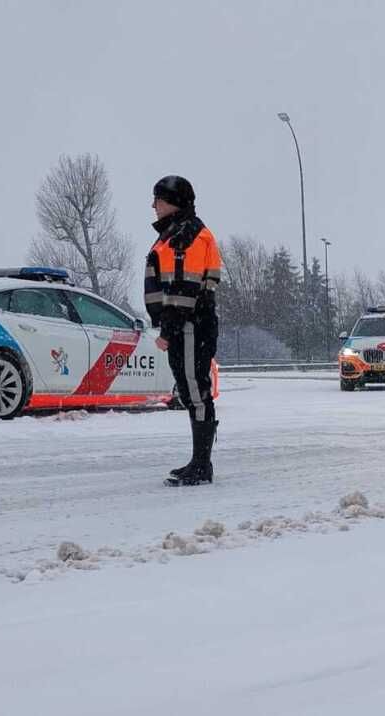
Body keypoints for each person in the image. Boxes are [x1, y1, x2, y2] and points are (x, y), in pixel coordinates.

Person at [145, 175, 222, 486]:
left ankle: (202, 465)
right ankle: (200, 461)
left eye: (158, 200)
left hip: (191, 326)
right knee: (192, 391)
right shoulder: (177, 233)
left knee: (195, 391)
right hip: (189, 325)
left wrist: (168, 330)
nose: (153, 205)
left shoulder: (186, 236)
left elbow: (183, 290)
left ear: (173, 203)